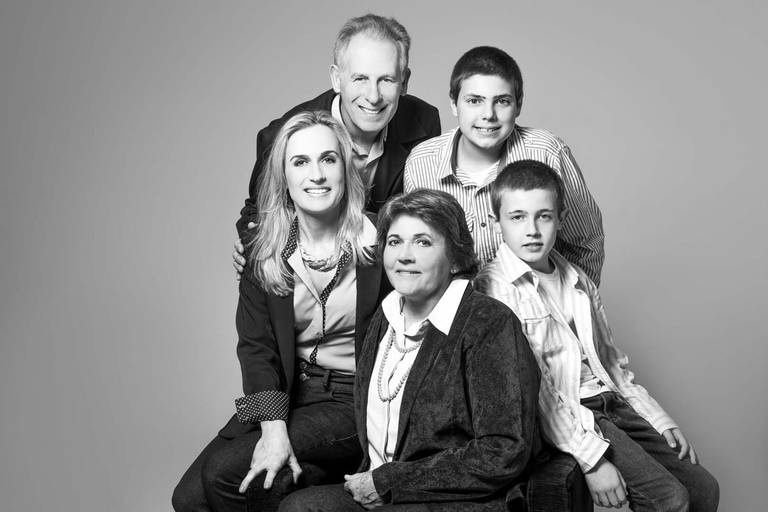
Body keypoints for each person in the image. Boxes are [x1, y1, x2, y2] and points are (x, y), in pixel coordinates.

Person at [172, 111, 386, 512]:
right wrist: (273, 430)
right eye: (300, 162)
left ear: (345, 168)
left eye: (328, 159)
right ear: (284, 178)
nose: (316, 174)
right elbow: (256, 347)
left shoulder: (381, 241)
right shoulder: (263, 250)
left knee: (225, 474)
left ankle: (305, 475)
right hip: (290, 389)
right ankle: (308, 474)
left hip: (351, 398)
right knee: (187, 499)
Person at [475, 160, 719, 511]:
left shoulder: (577, 279)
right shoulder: (492, 290)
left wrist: (656, 417)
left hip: (613, 402)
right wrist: (591, 459)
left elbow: (612, 364)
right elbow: (535, 392)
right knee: (670, 498)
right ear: (496, 224)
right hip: (577, 411)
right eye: (517, 217)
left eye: (543, 216)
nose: (532, 229)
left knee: (703, 488)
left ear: (560, 219)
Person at [279, 189, 541, 511]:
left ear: (456, 258)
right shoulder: (383, 317)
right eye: (394, 241)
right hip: (381, 491)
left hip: (456, 500)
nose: (404, 255)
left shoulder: (489, 324)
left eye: (423, 242)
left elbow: (503, 450)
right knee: (297, 506)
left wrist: (388, 482)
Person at [404, 46, 605, 285]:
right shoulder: (421, 163)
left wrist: (571, 307)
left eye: (502, 101)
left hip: (537, 311)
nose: (488, 114)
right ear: (454, 104)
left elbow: (585, 243)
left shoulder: (546, 152)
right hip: (457, 315)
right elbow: (420, 253)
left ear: (518, 105)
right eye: (474, 101)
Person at [235, 13, 440, 237]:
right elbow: (257, 212)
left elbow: (424, 216)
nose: (373, 96)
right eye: (360, 78)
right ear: (336, 79)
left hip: (384, 263)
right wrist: (251, 246)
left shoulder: (424, 123)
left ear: (404, 81)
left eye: (386, 80)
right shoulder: (283, 136)